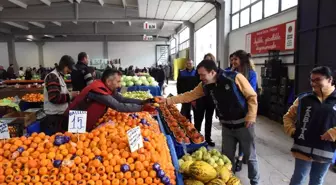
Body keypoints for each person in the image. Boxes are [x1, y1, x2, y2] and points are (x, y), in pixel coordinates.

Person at [158, 60, 260, 185]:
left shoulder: (235, 77)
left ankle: (255, 182)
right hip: (227, 127)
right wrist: (168, 101)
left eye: (202, 75)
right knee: (227, 159)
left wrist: (251, 116)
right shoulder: (205, 85)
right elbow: (189, 95)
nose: (200, 78)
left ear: (212, 72)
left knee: (250, 157)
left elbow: (252, 96)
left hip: (244, 124)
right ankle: (230, 181)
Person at [283, 66, 336, 185]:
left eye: (318, 79)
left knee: (317, 180)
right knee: (298, 178)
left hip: (326, 149)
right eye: (312, 80)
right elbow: (288, 117)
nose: (313, 83)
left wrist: (333, 133)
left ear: (329, 80)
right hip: (303, 148)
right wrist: (292, 130)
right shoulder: (303, 99)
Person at [64, 68, 156, 132]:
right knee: (75, 145)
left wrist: (143, 102)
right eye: (118, 82)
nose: (120, 85)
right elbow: (118, 106)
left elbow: (121, 99)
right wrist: (142, 107)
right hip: (74, 121)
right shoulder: (97, 90)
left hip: (84, 120)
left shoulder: (107, 87)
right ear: (109, 82)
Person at [230, 50, 258, 172]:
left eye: (235, 59)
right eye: (232, 59)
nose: (233, 62)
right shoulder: (230, 72)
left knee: (244, 137)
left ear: (242, 60)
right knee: (232, 136)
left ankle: (240, 158)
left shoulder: (251, 74)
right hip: (232, 110)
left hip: (245, 110)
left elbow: (251, 92)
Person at [42, 55, 78, 135]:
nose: (70, 71)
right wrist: (71, 95)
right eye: (69, 69)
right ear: (65, 66)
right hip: (54, 118)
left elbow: (60, 94)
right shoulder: (52, 77)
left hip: (59, 116)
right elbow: (54, 97)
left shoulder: (59, 76)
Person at [194, 54, 216, 147]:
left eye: (210, 60)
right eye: (206, 59)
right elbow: (194, 88)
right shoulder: (200, 73)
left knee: (209, 120)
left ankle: (207, 137)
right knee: (198, 118)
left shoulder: (217, 76)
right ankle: (196, 136)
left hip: (210, 101)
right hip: (200, 99)